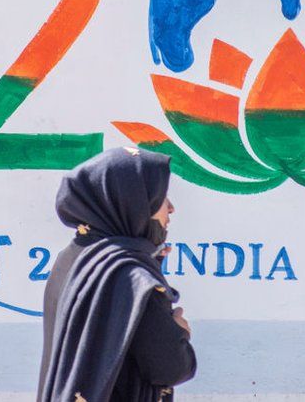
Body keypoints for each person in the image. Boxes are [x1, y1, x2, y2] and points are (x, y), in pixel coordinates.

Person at [37, 147, 197, 402]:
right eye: (160, 198)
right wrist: (179, 333)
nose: (171, 208)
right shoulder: (132, 276)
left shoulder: (69, 260)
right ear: (132, 203)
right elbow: (171, 367)